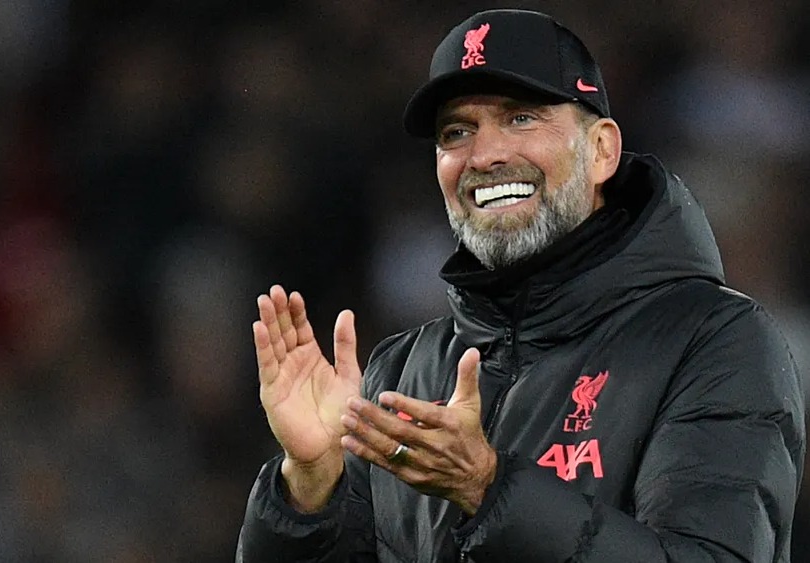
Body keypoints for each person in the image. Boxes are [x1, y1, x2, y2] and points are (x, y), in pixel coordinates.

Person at [235, 9, 805, 562]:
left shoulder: (715, 343)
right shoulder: (402, 374)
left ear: (602, 150)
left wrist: (489, 489)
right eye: (457, 131)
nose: (485, 155)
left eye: (521, 119)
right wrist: (310, 486)